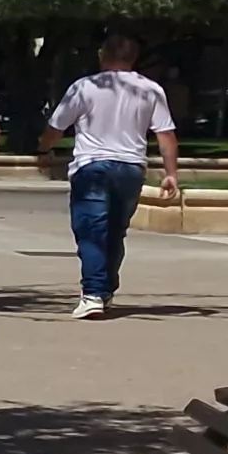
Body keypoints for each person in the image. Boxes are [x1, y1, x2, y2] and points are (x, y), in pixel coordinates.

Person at [46, 32, 182, 319]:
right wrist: (171, 174)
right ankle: (105, 288)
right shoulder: (150, 89)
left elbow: (57, 126)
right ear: (133, 58)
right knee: (115, 231)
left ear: (102, 55)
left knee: (91, 230)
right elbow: (165, 133)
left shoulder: (84, 87)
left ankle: (93, 293)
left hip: (92, 165)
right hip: (131, 168)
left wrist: (43, 147)